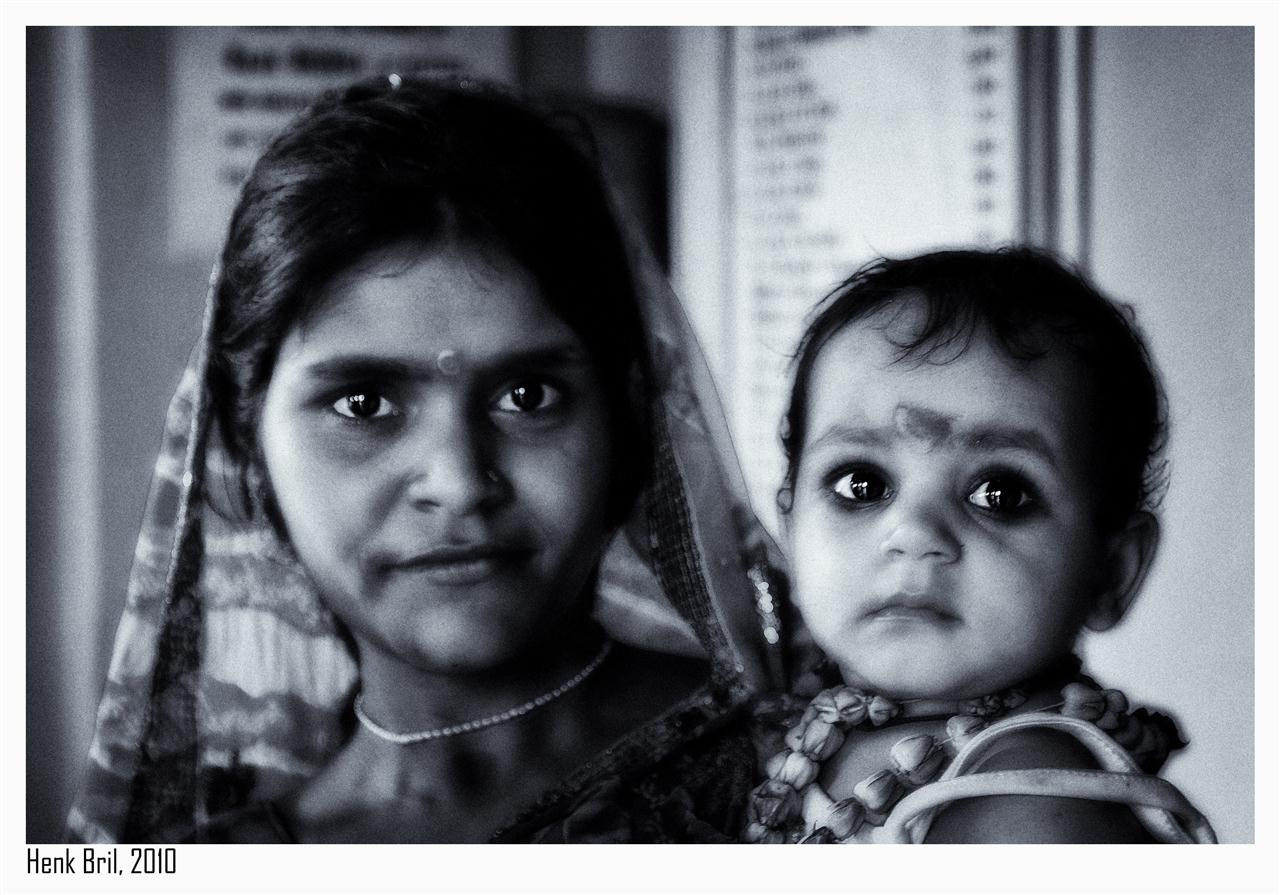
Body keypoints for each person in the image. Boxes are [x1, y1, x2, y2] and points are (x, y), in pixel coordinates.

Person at [68, 76, 785, 844]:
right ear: (245, 450)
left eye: (529, 394)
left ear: (627, 419)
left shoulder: (812, 780)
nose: (457, 482)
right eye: (363, 404)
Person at [745, 247, 1217, 844]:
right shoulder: (806, 723)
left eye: (999, 494)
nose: (914, 533)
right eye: (860, 485)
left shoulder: (1032, 806)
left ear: (1111, 571)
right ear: (788, 527)